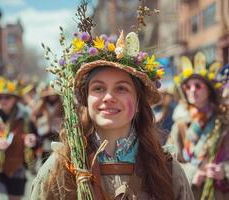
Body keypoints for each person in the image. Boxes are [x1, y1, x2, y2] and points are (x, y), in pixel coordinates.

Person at [30, 10, 193, 198]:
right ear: (85, 100)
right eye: (98, 89)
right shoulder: (59, 168)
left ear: (139, 102)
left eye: (122, 88)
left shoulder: (167, 169)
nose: (108, 97)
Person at [169, 53, 229, 199]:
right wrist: (192, 174)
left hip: (219, 193)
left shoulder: (224, 122)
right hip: (190, 192)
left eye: (198, 85)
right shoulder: (180, 124)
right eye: (187, 86)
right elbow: (168, 161)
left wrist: (224, 171)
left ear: (209, 90)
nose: (192, 90)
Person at [0, 77, 40, 200]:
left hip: (17, 169)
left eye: (7, 97)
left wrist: (33, 141)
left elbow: (38, 140)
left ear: (15, 98)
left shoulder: (26, 116)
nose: (3, 100)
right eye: (0, 97)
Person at [31, 84, 63, 163]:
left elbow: (65, 116)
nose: (52, 96)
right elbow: (33, 114)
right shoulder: (43, 103)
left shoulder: (61, 103)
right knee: (45, 155)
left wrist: (61, 121)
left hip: (57, 132)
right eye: (50, 94)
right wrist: (38, 123)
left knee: (57, 154)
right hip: (45, 132)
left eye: (54, 94)